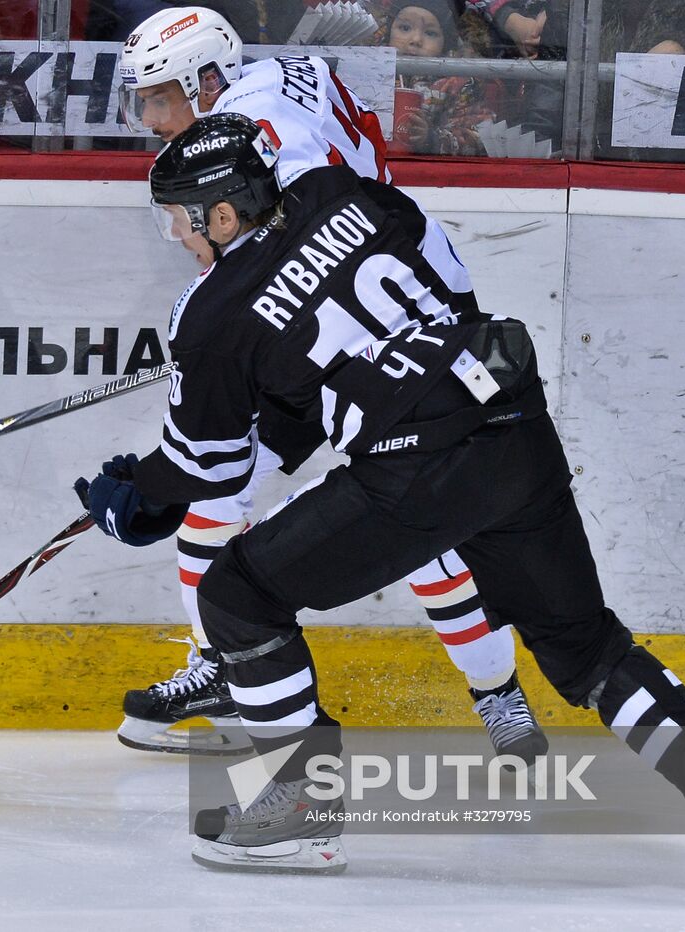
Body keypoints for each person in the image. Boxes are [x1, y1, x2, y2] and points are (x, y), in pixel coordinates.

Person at [75, 112, 685, 884]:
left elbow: (212, 470)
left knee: (236, 594)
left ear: (221, 214)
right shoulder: (341, 192)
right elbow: (447, 290)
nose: (182, 240)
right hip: (511, 421)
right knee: (590, 651)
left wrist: (136, 499)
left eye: (179, 222)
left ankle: (302, 812)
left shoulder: (211, 312)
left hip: (416, 469)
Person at [112, 4, 548, 763]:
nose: (148, 116)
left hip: (373, 344)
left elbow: (305, 243)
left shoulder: (259, 136)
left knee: (421, 529)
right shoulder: (281, 75)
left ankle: (497, 694)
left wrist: (225, 336)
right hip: (321, 328)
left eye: (158, 95)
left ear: (207, 80)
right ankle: (222, 665)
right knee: (214, 501)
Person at [382, 0, 500, 156]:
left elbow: (478, 138)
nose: (415, 40)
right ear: (389, 31)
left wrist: (430, 139)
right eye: (405, 28)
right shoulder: (373, 74)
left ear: (445, 43)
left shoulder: (459, 83)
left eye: (430, 33)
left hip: (428, 172)